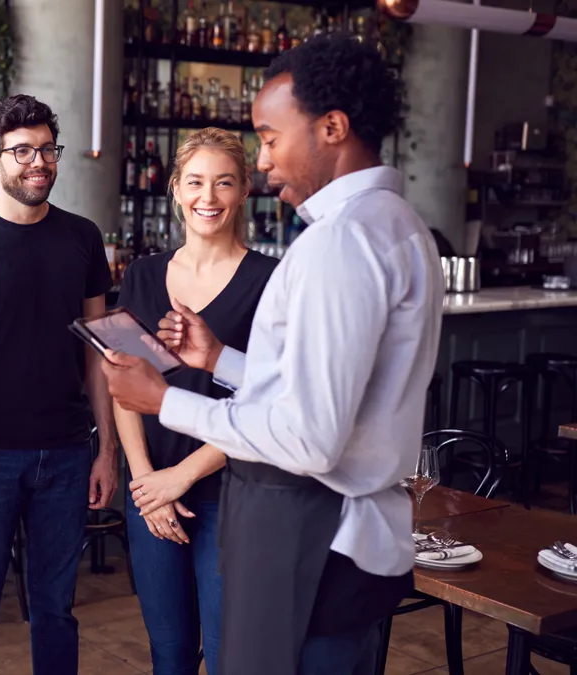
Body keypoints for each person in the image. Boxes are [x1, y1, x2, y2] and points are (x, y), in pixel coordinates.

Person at [101, 36, 443, 675]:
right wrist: (222, 361)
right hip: (351, 537)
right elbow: (325, 385)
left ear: (332, 128)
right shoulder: (397, 223)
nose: (264, 162)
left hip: (314, 537)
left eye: (270, 137)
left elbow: (310, 436)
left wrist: (166, 400)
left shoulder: (338, 243)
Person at [0, 94, 117, 675]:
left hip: (66, 449)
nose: (39, 162)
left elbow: (99, 351)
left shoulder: (83, 238)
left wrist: (106, 449)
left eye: (47, 149)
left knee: (57, 608)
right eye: (23, 151)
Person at [115, 128, 278, 675]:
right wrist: (146, 483)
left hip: (231, 493)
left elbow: (269, 401)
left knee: (232, 651)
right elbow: (123, 384)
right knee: (170, 653)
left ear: (245, 190)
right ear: (176, 190)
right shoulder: (141, 275)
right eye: (197, 183)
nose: (209, 197)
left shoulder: (270, 281)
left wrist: (181, 476)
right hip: (149, 493)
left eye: (224, 183)